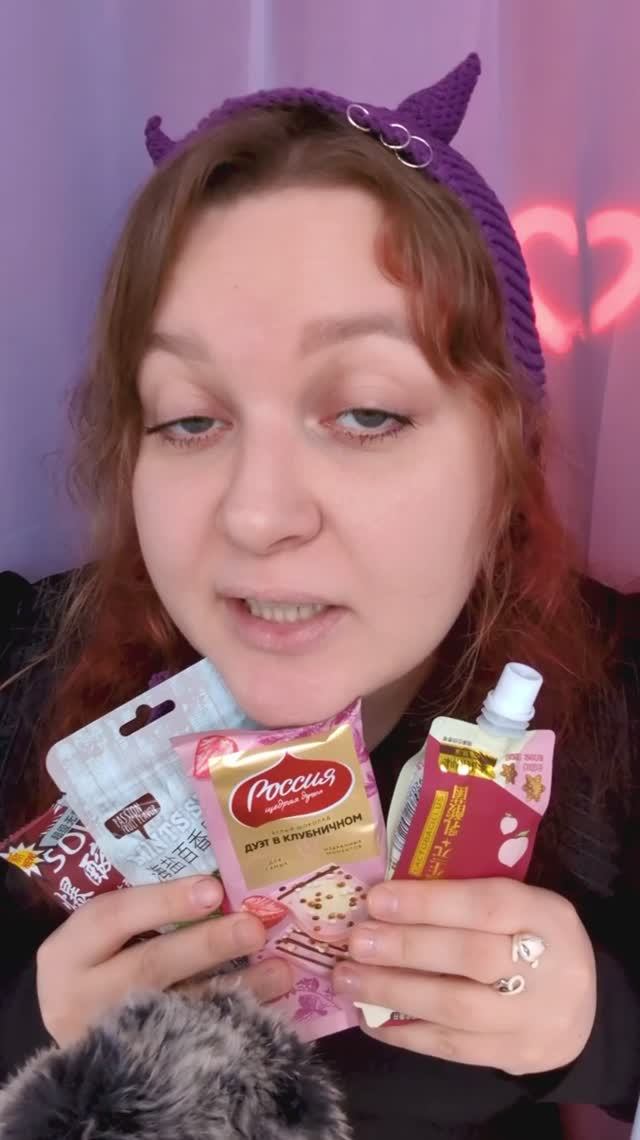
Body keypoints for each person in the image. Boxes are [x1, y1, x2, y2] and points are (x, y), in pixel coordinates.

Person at [0, 53, 639, 1140]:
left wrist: (601, 1030)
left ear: (504, 457)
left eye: (367, 413)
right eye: (189, 419)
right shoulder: (20, 671)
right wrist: (32, 1033)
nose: (257, 516)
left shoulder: (617, 699)